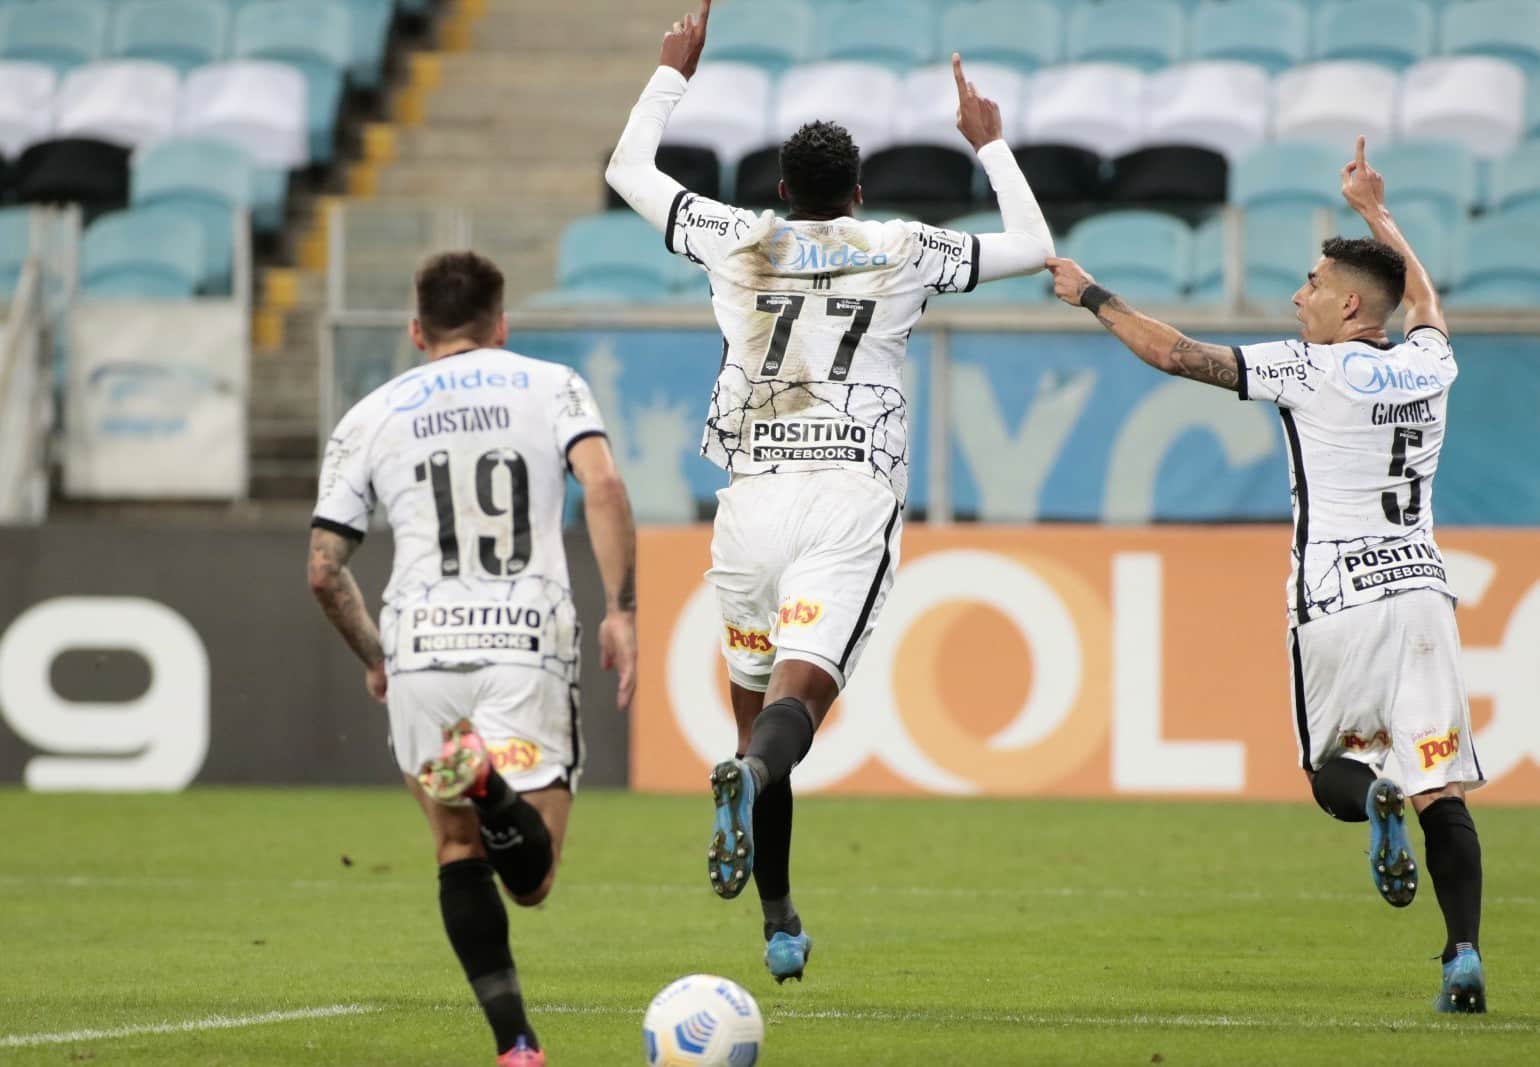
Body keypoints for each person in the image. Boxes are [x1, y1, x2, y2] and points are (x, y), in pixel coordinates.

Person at [605, 0, 1055, 983]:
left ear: (780, 189)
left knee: (756, 718)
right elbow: (1032, 243)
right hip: (847, 497)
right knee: (798, 705)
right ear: (856, 192)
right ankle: (753, 791)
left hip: (749, 501)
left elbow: (627, 172)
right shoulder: (901, 247)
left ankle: (777, 917)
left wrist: (673, 72)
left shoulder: (735, 235)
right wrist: (988, 141)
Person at [1046, 137, 1486, 1013]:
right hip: (1423, 595)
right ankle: (1463, 955)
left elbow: (1178, 354)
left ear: (1350, 304)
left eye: (1313, 284)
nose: (1298, 296)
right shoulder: (1428, 364)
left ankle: (1376, 796)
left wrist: (1092, 294)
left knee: (1331, 771)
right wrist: (1377, 214)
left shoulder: (1306, 367)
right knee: (1442, 787)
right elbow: (1427, 303)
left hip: (1336, 598)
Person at [307, 251, 639, 1065]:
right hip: (524, 639)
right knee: (533, 879)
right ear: (502, 325)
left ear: (416, 330)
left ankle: (515, 1043)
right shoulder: (552, 385)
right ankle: (489, 784)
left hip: (421, 645)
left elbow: (323, 567)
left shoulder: (370, 414)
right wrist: (621, 609)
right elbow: (601, 485)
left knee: (458, 851)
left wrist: (377, 655)